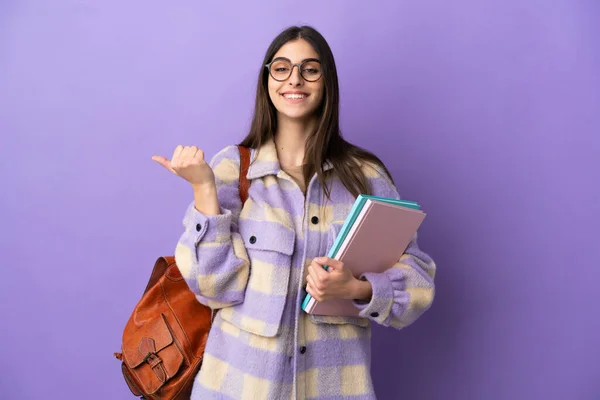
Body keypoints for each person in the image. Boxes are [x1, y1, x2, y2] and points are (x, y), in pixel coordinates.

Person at [152, 25, 436, 400]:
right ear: (267, 78)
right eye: (282, 68)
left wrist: (357, 288)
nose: (295, 80)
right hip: (238, 389)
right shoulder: (231, 171)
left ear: (326, 81)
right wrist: (203, 189)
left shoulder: (366, 176)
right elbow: (213, 289)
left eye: (310, 69)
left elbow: (418, 281)